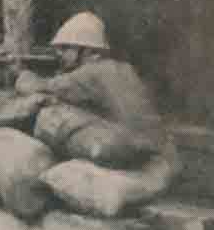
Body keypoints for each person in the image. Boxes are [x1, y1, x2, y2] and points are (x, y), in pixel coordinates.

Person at [17, 10, 174, 161]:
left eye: (66, 48)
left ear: (89, 52)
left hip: (132, 146)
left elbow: (36, 87)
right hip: (157, 147)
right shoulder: (123, 68)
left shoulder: (90, 73)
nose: (59, 54)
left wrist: (21, 74)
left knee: (50, 115)